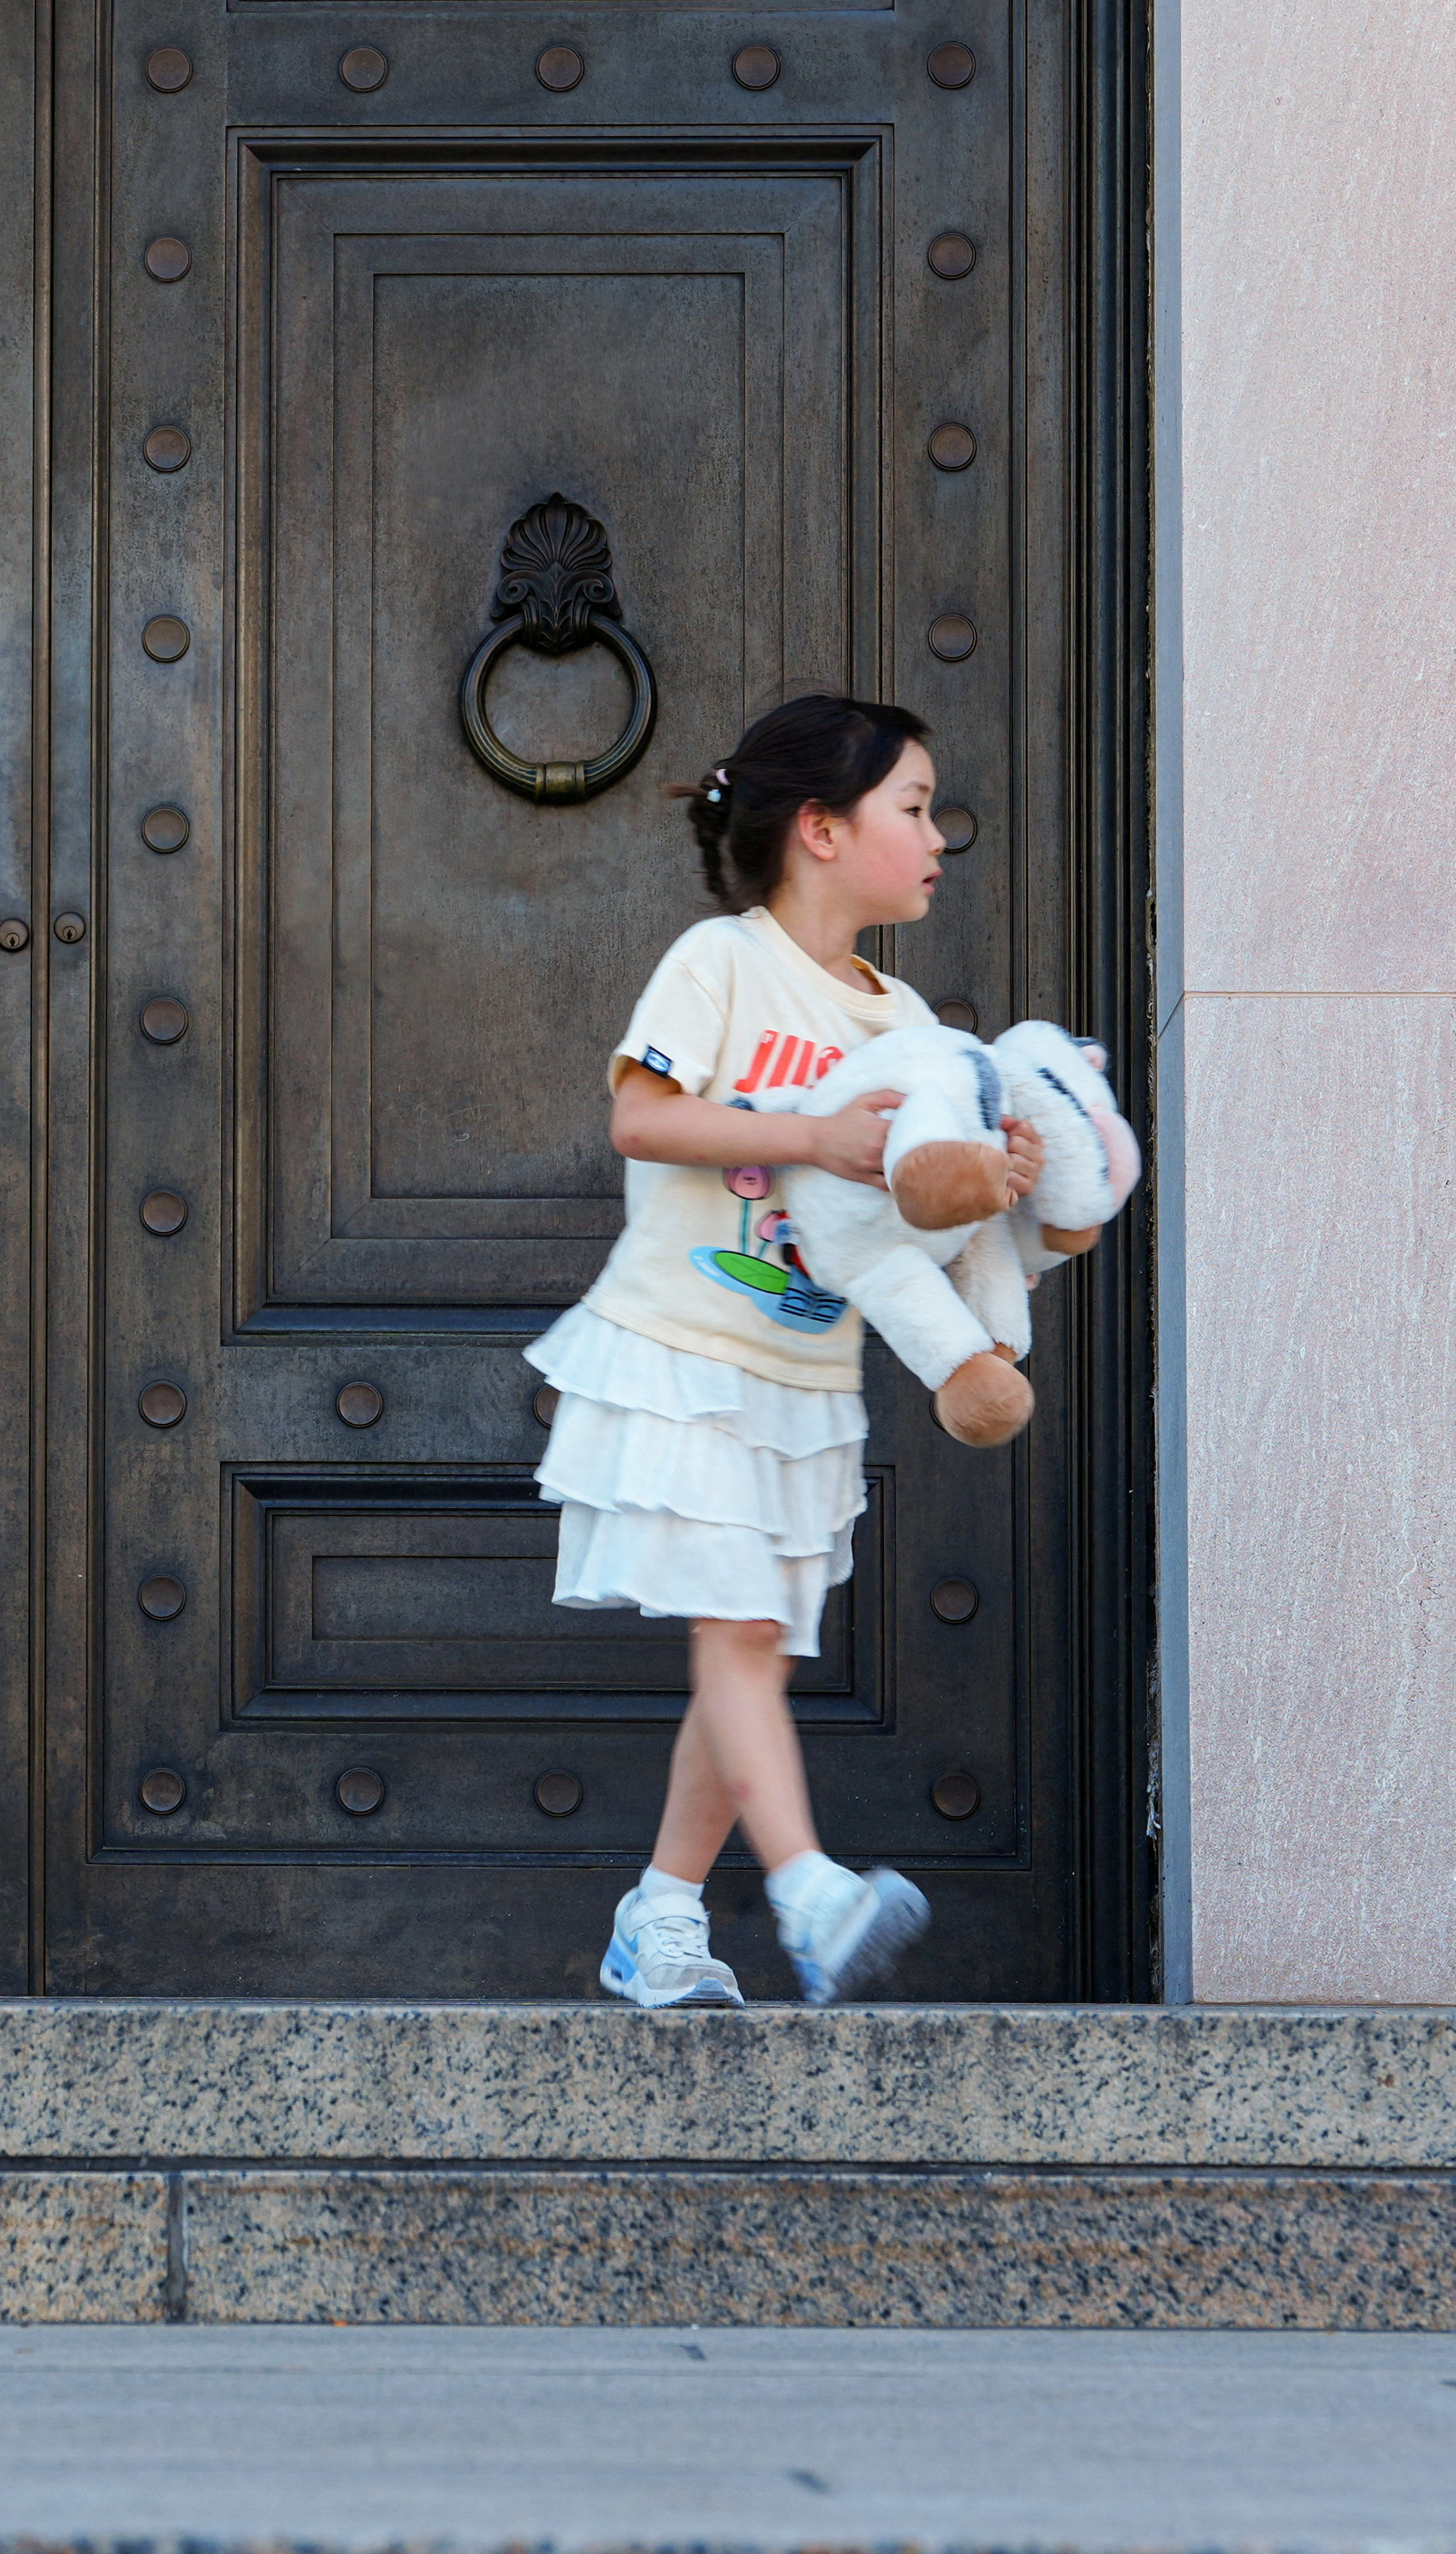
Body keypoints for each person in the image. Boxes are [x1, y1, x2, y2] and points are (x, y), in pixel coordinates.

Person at [527, 694, 1045, 2009]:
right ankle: (808, 1891)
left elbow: (910, 1217)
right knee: (742, 1627)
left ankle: (658, 1913)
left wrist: (998, 1181)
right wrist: (808, 1136)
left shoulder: (909, 1019)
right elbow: (640, 1120)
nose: (937, 834)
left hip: (804, 1376)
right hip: (683, 1349)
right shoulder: (722, 960)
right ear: (819, 828)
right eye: (911, 806)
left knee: (746, 1647)